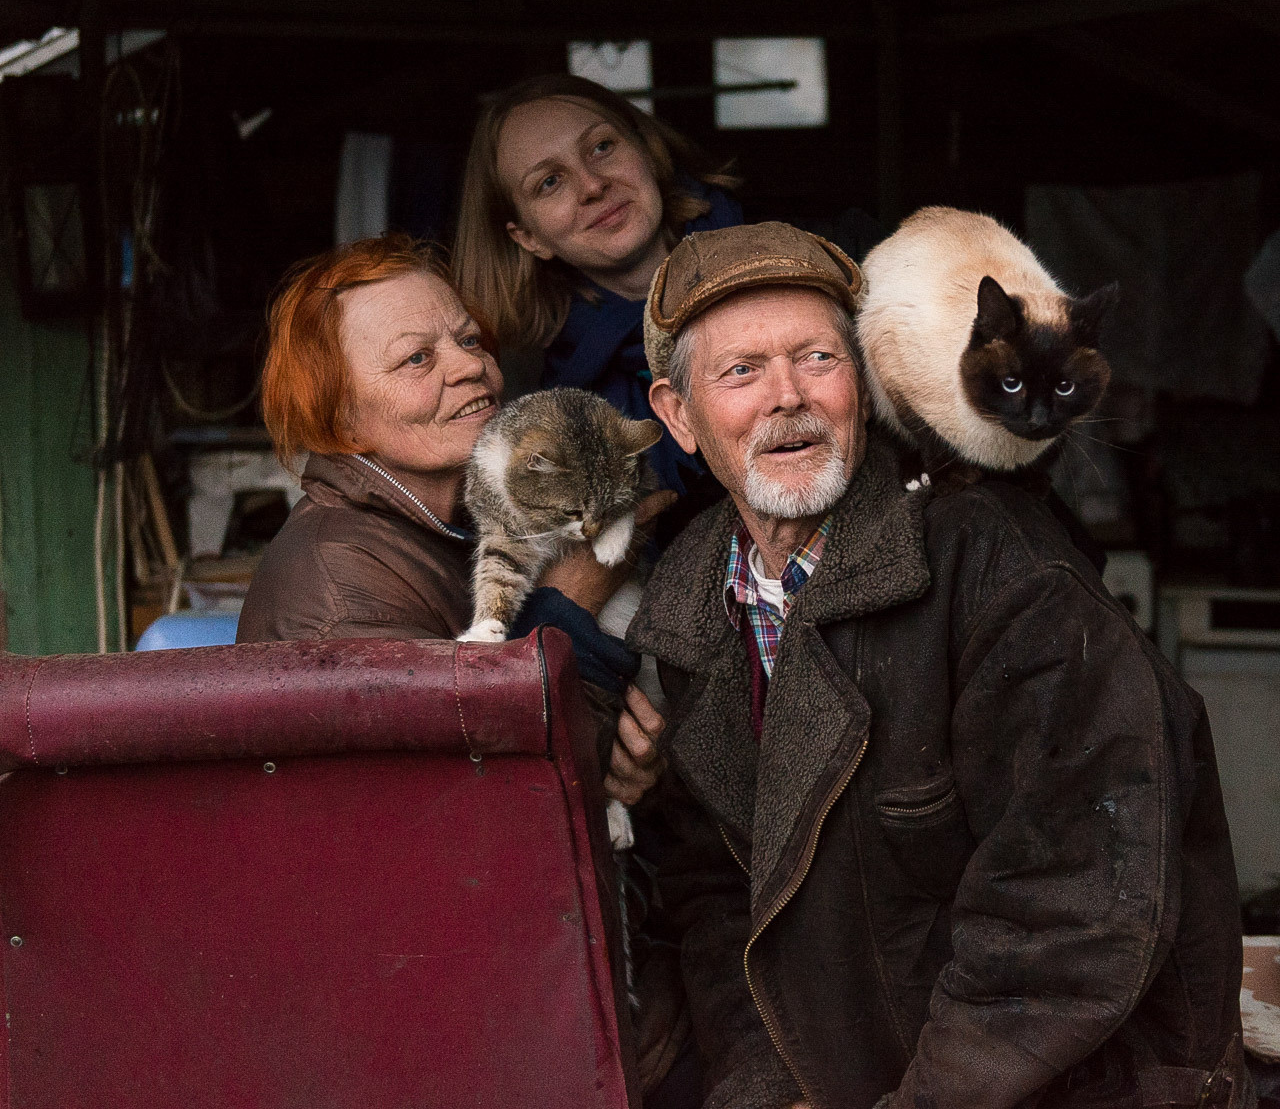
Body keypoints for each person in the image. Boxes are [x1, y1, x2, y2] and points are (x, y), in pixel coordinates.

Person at [627, 221, 1251, 1109]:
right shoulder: (694, 611)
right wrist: (763, 1091)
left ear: (868, 379)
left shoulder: (1000, 565)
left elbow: (1073, 905)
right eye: (740, 371)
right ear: (679, 417)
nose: (787, 398)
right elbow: (718, 899)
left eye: (817, 358)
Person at [237, 233, 668, 810]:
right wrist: (570, 607)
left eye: (469, 339)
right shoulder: (337, 587)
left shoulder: (467, 516)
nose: (472, 366)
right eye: (417, 358)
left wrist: (622, 769)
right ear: (340, 416)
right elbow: (475, 807)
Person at [452, 73, 742, 497]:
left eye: (602, 147)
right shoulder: (556, 412)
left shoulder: (824, 257)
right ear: (528, 238)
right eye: (549, 182)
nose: (592, 185)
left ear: (647, 149)